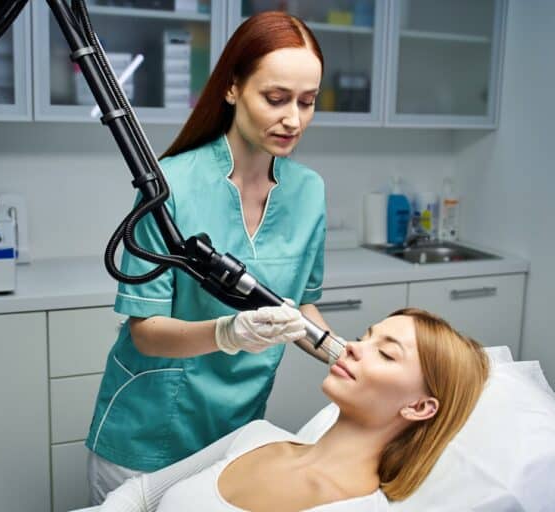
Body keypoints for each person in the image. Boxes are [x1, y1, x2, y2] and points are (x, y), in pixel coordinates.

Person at [86, 11, 335, 504]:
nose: (294, 119)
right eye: (276, 98)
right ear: (232, 88)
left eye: (307, 102)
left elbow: (301, 306)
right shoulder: (170, 185)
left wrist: (340, 353)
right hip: (146, 437)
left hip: (236, 437)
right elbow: (145, 330)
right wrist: (228, 333)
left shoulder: (309, 191)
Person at [98, 308, 490, 511]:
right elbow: (140, 496)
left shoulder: (354, 507)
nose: (352, 347)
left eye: (386, 354)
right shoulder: (257, 436)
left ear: (420, 407)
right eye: (363, 337)